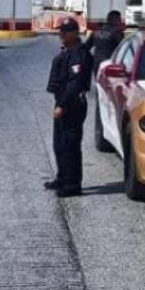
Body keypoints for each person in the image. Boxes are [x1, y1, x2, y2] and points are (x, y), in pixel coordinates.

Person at [45, 18, 93, 197]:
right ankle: (62, 177)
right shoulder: (69, 51)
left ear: (74, 33)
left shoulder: (80, 54)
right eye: (60, 32)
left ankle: (72, 185)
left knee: (70, 146)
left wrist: (62, 105)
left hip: (72, 104)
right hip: (63, 102)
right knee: (59, 144)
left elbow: (75, 84)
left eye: (64, 32)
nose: (61, 35)